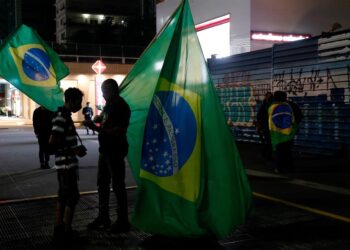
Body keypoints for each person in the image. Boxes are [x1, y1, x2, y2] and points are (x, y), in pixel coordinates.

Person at [84, 78, 131, 233]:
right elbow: (105, 120)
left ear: (112, 90)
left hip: (115, 151)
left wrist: (96, 129)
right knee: (102, 184)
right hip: (104, 151)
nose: (103, 95)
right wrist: (98, 120)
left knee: (118, 186)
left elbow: (118, 131)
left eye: (104, 92)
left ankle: (122, 220)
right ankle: (103, 217)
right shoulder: (109, 105)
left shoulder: (121, 107)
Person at [49, 87, 87, 242]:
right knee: (72, 196)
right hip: (65, 165)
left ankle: (59, 228)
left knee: (64, 196)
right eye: (78, 102)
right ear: (70, 101)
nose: (80, 105)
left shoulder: (64, 115)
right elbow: (53, 142)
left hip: (67, 164)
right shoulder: (61, 117)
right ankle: (65, 230)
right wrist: (74, 150)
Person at [269, 91, 302, 173]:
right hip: (289, 133)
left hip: (277, 133)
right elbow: (299, 116)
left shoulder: (272, 106)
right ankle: (289, 167)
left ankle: (279, 168)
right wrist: (295, 127)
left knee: (279, 151)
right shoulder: (291, 105)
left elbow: (269, 120)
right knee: (287, 151)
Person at [256, 92, 273, 161]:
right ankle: (267, 155)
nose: (269, 98)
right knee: (268, 142)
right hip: (265, 126)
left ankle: (266, 155)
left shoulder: (272, 105)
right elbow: (259, 116)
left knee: (269, 142)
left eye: (270, 96)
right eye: (268, 96)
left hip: (271, 127)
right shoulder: (263, 105)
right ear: (265, 97)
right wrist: (259, 126)